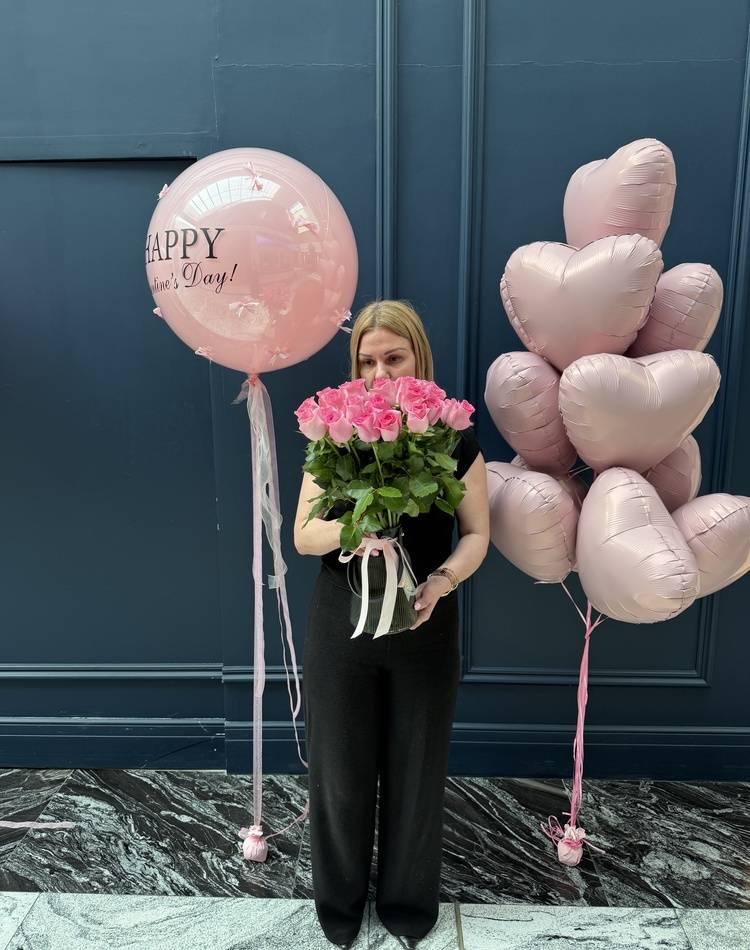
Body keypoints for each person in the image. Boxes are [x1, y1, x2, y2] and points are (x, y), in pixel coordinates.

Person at [293, 299, 489, 949]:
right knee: (340, 776)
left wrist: (444, 579)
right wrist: (359, 525)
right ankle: (339, 909)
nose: (379, 372)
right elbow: (303, 535)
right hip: (340, 623)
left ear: (418, 358)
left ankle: (408, 907)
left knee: (418, 770)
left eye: (393, 358)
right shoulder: (331, 433)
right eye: (366, 360)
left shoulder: (456, 440)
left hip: (426, 626)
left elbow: (478, 533)